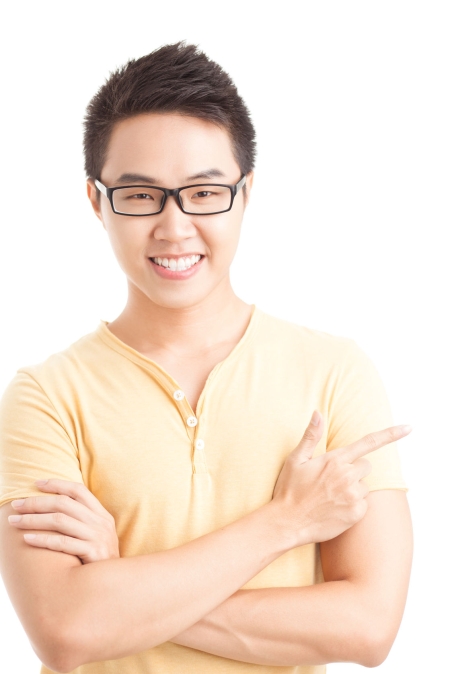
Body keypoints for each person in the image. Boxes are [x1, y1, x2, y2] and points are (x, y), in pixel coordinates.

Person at [0, 42, 412, 674]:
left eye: (204, 192)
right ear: (96, 201)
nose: (174, 226)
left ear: (245, 193)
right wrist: (286, 522)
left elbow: (368, 628)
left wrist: (121, 585)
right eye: (140, 195)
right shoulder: (45, 397)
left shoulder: (334, 374)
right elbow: (66, 630)